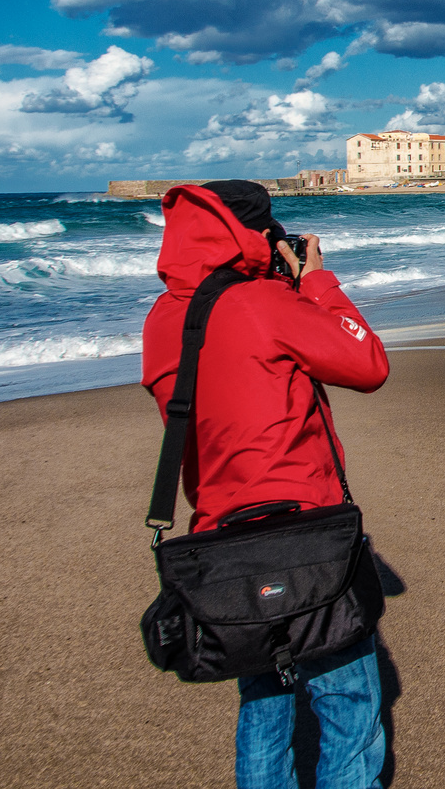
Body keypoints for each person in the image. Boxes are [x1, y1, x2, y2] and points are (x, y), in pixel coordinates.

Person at [142, 180, 391, 789]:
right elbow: (368, 365)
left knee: (265, 693)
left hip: (223, 535)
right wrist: (315, 282)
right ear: (255, 235)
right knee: (348, 698)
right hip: (304, 528)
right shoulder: (263, 303)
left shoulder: (163, 319)